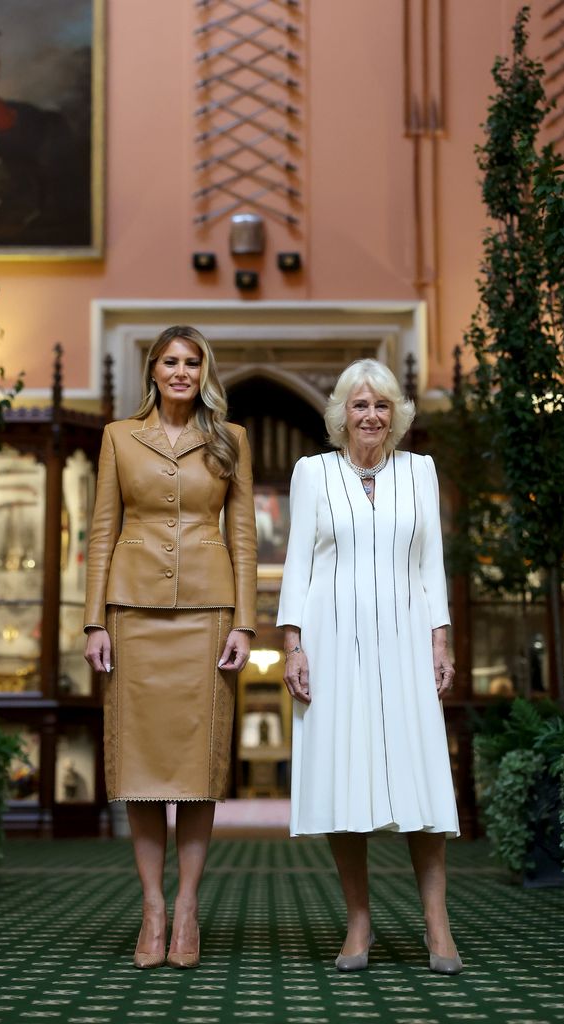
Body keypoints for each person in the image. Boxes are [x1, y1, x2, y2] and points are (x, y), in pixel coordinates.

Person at [277, 358, 462, 975]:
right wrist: (293, 644)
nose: (372, 415)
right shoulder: (312, 474)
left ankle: (437, 923)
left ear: (397, 414)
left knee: (420, 775)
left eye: (382, 405)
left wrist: (441, 640)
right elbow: (297, 563)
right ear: (341, 415)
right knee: (341, 774)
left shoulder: (421, 472)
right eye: (360, 405)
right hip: (331, 642)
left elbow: (431, 562)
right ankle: (360, 922)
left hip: (408, 641)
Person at [84, 326, 257, 970]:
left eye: (192, 362)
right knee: (140, 772)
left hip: (208, 614)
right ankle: (151, 907)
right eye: (170, 362)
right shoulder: (117, 436)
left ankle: (187, 907)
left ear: (204, 371)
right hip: (131, 613)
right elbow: (103, 529)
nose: (181, 372)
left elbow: (244, 537)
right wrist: (93, 622)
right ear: (152, 371)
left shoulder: (231, 438)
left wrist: (245, 623)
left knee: (198, 773)